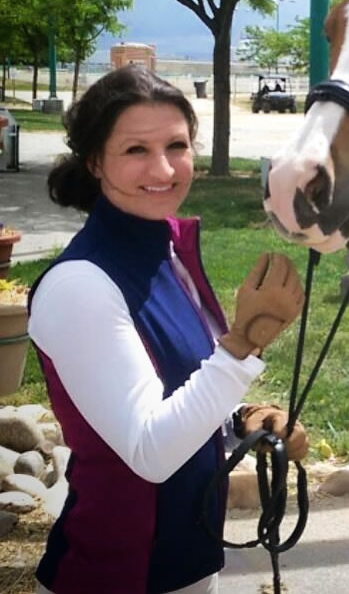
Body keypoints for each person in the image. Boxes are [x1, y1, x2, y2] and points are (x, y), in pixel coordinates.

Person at [28, 64, 308, 594]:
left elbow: (172, 394)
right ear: (94, 162)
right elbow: (150, 452)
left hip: (188, 564)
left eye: (177, 146)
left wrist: (243, 419)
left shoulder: (167, 252)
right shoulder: (80, 284)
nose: (163, 167)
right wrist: (241, 343)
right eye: (135, 150)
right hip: (115, 574)